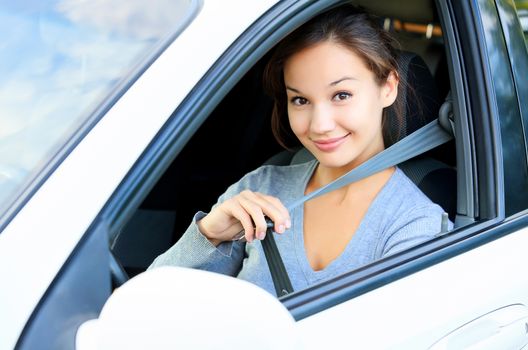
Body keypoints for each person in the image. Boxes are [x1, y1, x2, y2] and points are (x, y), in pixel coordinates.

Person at [149, 5, 449, 296]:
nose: (319, 125)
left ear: (388, 88)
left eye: (341, 95)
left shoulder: (416, 225)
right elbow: (149, 302)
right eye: (301, 100)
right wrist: (209, 234)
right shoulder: (259, 189)